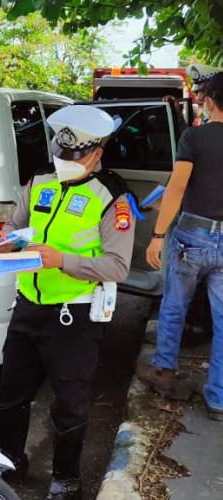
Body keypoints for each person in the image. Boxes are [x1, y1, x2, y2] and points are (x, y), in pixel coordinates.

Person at [0, 105, 135, 500]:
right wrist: (4, 238)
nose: (64, 163)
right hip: (28, 306)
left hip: (75, 315)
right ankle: (11, 460)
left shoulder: (113, 197)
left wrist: (61, 260)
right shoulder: (39, 181)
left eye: (74, 157)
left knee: (69, 405)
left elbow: (118, 265)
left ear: (96, 154)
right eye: (60, 155)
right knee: (8, 398)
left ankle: (66, 478)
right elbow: (16, 224)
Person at [137, 72, 223, 422]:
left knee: (174, 306)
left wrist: (157, 235)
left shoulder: (195, 137)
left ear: (211, 99)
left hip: (193, 234)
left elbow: (175, 188)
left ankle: (164, 372)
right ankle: (218, 396)